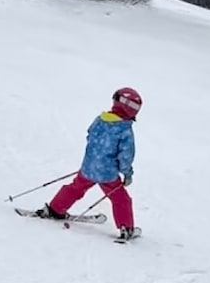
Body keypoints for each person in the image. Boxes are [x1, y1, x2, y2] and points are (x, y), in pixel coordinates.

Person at [42, 88, 142, 240]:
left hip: (88, 167)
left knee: (75, 188)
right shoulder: (124, 130)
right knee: (121, 199)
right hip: (107, 174)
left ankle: (55, 209)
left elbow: (90, 136)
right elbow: (126, 157)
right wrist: (127, 174)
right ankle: (125, 228)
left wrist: (94, 159)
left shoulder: (100, 119)